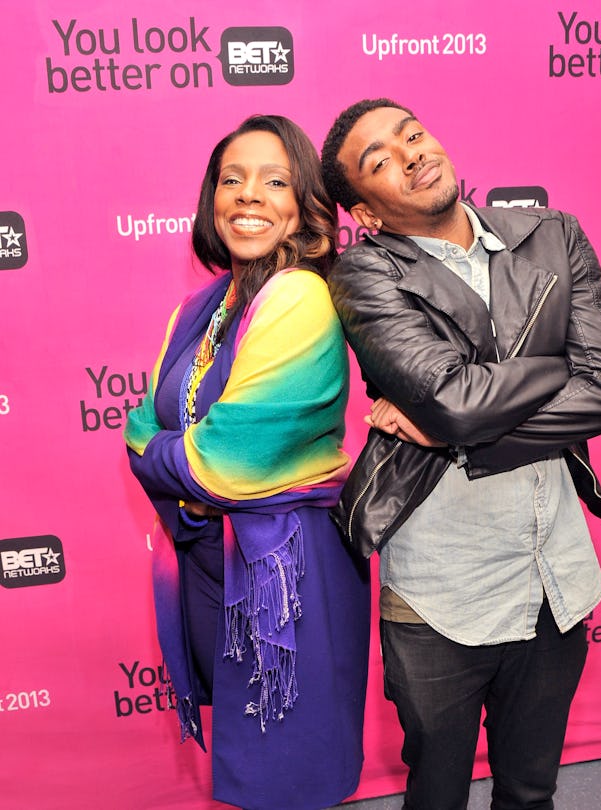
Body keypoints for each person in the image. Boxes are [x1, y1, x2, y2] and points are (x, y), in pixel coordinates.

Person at [320, 98, 601, 810]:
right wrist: (557, 366)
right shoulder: (365, 275)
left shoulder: (553, 235)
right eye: (380, 161)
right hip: (441, 592)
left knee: (529, 792)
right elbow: (456, 402)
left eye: (413, 134)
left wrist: (461, 432)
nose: (410, 154)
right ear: (366, 214)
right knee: (437, 795)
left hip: (554, 572)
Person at [124, 114, 370, 810]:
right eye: (231, 180)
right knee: (244, 749)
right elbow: (141, 428)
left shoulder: (298, 296)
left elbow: (222, 464)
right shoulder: (200, 309)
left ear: (303, 207)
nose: (248, 196)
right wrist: (191, 478)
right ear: (211, 200)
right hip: (210, 553)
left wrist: (186, 472)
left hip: (285, 571)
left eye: (274, 180)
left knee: (286, 760)